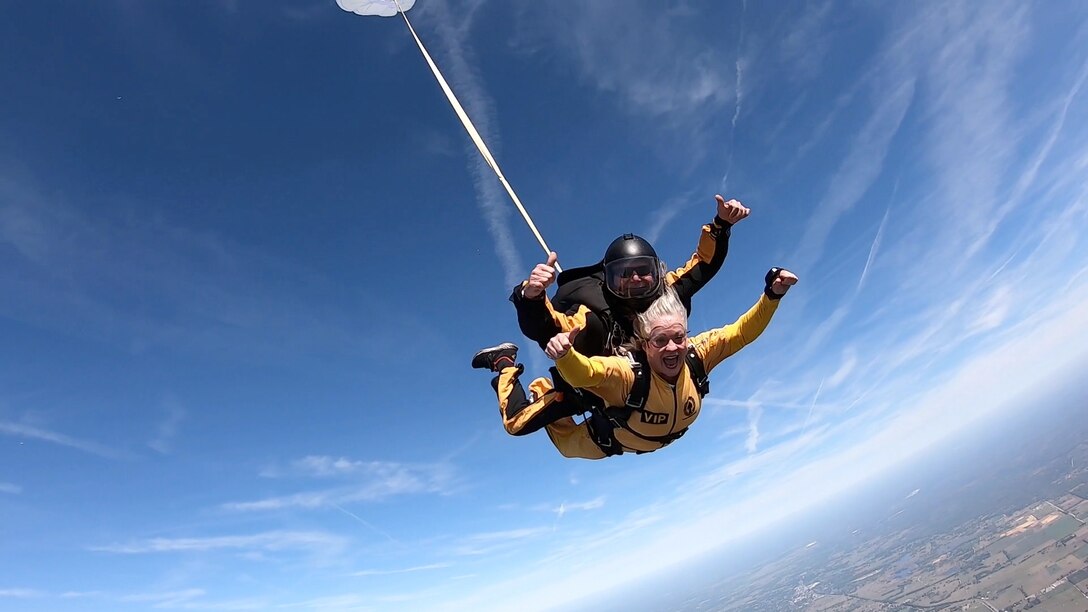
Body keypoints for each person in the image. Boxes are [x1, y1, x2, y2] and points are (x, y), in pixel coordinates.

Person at [472, 267, 798, 459]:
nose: (673, 348)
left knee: (572, 411)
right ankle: (505, 365)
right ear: (644, 344)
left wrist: (772, 296)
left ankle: (547, 388)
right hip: (602, 438)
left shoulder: (697, 354)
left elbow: (742, 333)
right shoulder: (627, 374)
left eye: (679, 337)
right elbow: (587, 373)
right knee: (518, 425)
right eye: (660, 341)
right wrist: (565, 354)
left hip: (625, 435)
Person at [511, 195, 750, 358]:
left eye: (644, 270)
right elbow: (550, 327)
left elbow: (703, 266)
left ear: (657, 272)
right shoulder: (595, 308)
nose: (635, 278)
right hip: (601, 381)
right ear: (608, 279)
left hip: (652, 375)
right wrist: (531, 296)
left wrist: (721, 225)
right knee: (521, 423)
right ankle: (504, 364)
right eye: (624, 273)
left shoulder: (667, 291)